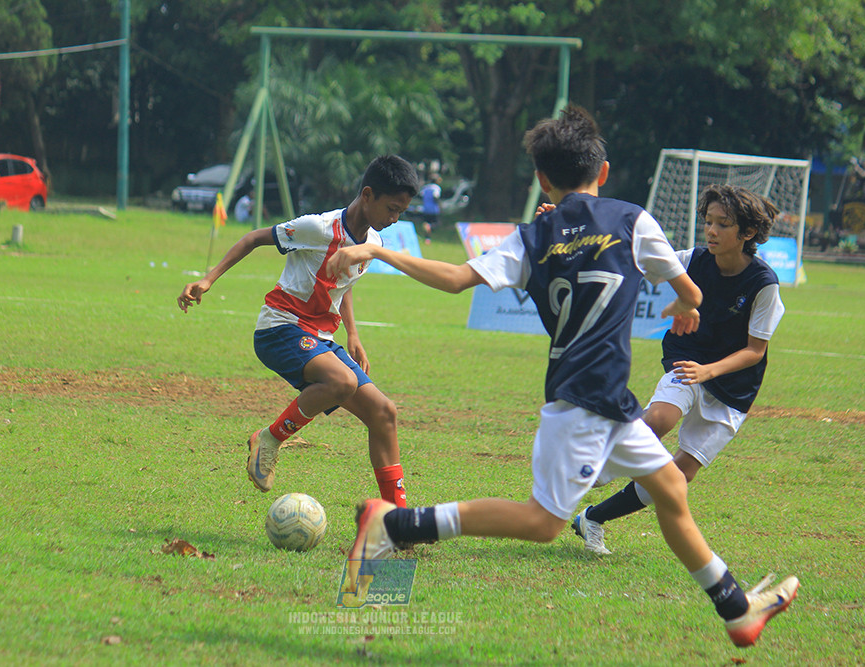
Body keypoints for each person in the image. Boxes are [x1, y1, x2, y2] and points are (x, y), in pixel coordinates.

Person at [329, 107, 798, 647]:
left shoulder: (533, 237)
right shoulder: (632, 220)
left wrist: (377, 248)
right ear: (602, 172)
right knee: (543, 523)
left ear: (541, 179)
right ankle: (394, 526)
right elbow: (687, 287)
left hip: (604, 399)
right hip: (585, 401)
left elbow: (456, 279)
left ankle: (737, 611)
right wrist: (686, 305)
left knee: (670, 487)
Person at [177, 155, 419, 507]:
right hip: (280, 327)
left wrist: (353, 334)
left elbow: (342, 282)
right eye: (392, 208)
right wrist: (208, 279)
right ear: (368, 195)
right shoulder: (319, 227)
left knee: (385, 413)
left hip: (320, 338)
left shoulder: (373, 244)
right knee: (343, 382)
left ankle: (399, 520)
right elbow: (255, 238)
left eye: (402, 212)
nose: (395, 219)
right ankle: (270, 439)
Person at [573, 184, 785, 556]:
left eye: (723, 224)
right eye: (709, 222)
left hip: (733, 388)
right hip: (687, 360)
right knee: (660, 418)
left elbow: (755, 351)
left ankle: (592, 518)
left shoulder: (764, 284)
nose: (712, 230)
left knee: (678, 475)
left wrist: (710, 372)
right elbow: (632, 256)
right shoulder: (692, 260)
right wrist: (569, 230)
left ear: (748, 233)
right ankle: (595, 464)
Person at [419, 173, 441, 244]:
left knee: (426, 223)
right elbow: (435, 197)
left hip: (425, 208)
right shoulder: (436, 188)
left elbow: (421, 196)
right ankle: (430, 227)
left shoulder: (425, 188)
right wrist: (439, 205)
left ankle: (427, 239)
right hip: (434, 209)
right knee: (436, 224)